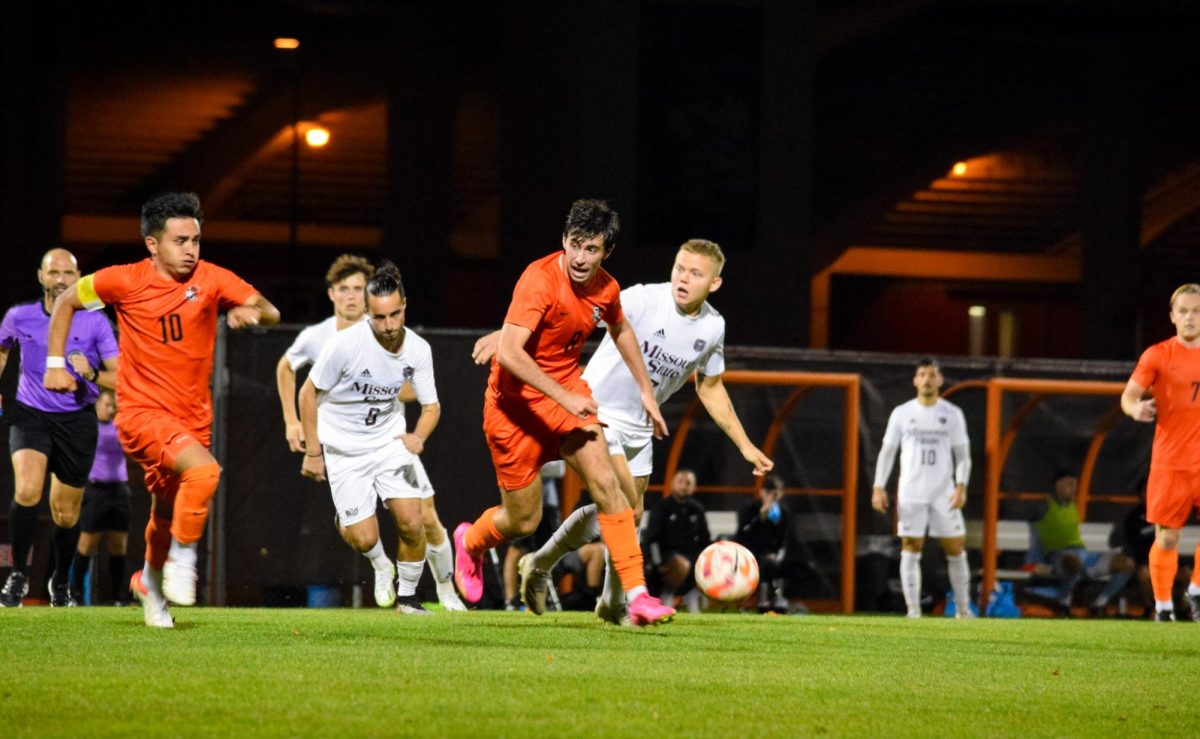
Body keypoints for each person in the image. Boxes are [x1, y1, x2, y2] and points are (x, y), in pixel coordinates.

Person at [474, 237, 773, 625]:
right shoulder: (643, 299)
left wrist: (746, 446)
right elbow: (571, 309)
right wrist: (506, 336)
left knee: (626, 514)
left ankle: (553, 569)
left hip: (640, 427)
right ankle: (625, 602)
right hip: (596, 411)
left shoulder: (713, 327)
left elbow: (710, 387)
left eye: (696, 274)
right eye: (680, 268)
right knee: (622, 504)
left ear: (714, 284)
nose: (683, 278)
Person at [44, 192, 280, 628]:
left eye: (195, 240)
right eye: (180, 240)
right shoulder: (123, 280)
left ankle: (151, 584)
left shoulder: (210, 278)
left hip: (193, 417)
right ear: (153, 244)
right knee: (205, 473)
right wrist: (56, 363)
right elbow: (65, 302)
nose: (190, 249)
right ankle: (182, 562)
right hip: (141, 414)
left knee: (166, 512)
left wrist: (251, 311)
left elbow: (271, 310)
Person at [452, 198, 677, 627]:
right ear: (563, 240)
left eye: (591, 249)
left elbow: (621, 328)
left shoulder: (606, 289)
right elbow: (512, 353)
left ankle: (638, 596)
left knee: (609, 484)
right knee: (523, 520)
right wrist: (563, 395)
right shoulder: (539, 279)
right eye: (574, 245)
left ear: (605, 253)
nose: (579, 257)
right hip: (512, 409)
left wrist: (646, 391)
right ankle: (472, 543)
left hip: (565, 397)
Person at [277, 254, 464, 611]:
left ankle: (411, 599)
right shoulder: (343, 344)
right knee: (364, 537)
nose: (389, 324)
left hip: (389, 443)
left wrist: (419, 436)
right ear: (368, 313)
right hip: (344, 450)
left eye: (395, 314)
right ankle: (380, 563)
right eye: (379, 317)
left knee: (415, 518)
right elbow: (307, 393)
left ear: (404, 306)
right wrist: (313, 452)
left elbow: (431, 405)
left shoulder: (419, 350)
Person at [0, 249, 119, 608]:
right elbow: (3, 350)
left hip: (77, 419)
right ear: (41, 276)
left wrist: (91, 374)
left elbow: (122, 376)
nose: (61, 280)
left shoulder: (96, 322)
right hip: (30, 415)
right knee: (27, 491)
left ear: (79, 277)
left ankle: (61, 581)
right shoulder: (19, 316)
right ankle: (18, 575)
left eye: (68, 273)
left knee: (65, 513)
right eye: (54, 273)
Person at [1121, 282, 1200, 622]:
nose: (1190, 317)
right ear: (1172, 316)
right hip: (1171, 462)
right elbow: (1129, 396)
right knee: (1167, 538)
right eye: (1183, 311)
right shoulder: (1158, 355)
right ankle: (1164, 606)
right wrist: (1133, 409)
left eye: (1196, 311)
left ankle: (1196, 591)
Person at [872, 356, 973, 619]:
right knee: (911, 545)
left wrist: (961, 485)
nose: (927, 379)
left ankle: (963, 610)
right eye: (922, 374)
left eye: (932, 374)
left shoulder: (952, 414)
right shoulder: (902, 413)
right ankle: (913, 610)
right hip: (911, 492)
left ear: (940, 380)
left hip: (944, 493)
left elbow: (963, 454)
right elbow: (887, 452)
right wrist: (878, 486)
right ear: (915, 380)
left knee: (955, 547)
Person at [1009, 470, 1134, 617]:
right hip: (1059, 556)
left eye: (1075, 484)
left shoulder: (1072, 505)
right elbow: (1021, 515)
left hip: (1084, 554)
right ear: (1058, 485)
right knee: (1072, 562)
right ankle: (1064, 601)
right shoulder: (1044, 506)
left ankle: (1099, 603)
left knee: (1127, 564)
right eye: (1069, 484)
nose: (1074, 488)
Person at [68, 389, 132, 605]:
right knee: (87, 544)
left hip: (119, 491)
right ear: (96, 405)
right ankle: (74, 595)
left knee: (118, 545)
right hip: (95, 491)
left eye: (114, 406)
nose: (110, 409)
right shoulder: (90, 427)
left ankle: (119, 598)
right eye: (106, 404)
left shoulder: (122, 428)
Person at [643, 469, 711, 612]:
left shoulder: (697, 509)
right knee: (682, 564)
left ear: (694, 487)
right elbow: (652, 538)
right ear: (672, 484)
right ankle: (667, 595)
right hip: (667, 555)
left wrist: (711, 560)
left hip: (692, 555)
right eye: (680, 482)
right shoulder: (661, 507)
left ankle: (693, 595)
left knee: (711, 564)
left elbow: (705, 539)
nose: (684, 486)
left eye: (688, 483)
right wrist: (657, 563)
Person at [501, 461, 563, 610]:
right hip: (521, 499)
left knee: (546, 553)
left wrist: (534, 464)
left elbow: (559, 469)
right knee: (516, 549)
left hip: (548, 503)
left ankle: (539, 602)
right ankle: (510, 602)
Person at [737, 474, 791, 613]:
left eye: (776, 493)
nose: (772, 497)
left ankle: (774, 599)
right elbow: (743, 533)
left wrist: (778, 554)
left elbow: (784, 538)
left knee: (773, 563)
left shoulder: (782, 512)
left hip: (772, 554)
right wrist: (760, 516)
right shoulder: (751, 507)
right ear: (762, 492)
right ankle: (765, 600)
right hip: (751, 553)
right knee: (766, 563)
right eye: (769, 492)